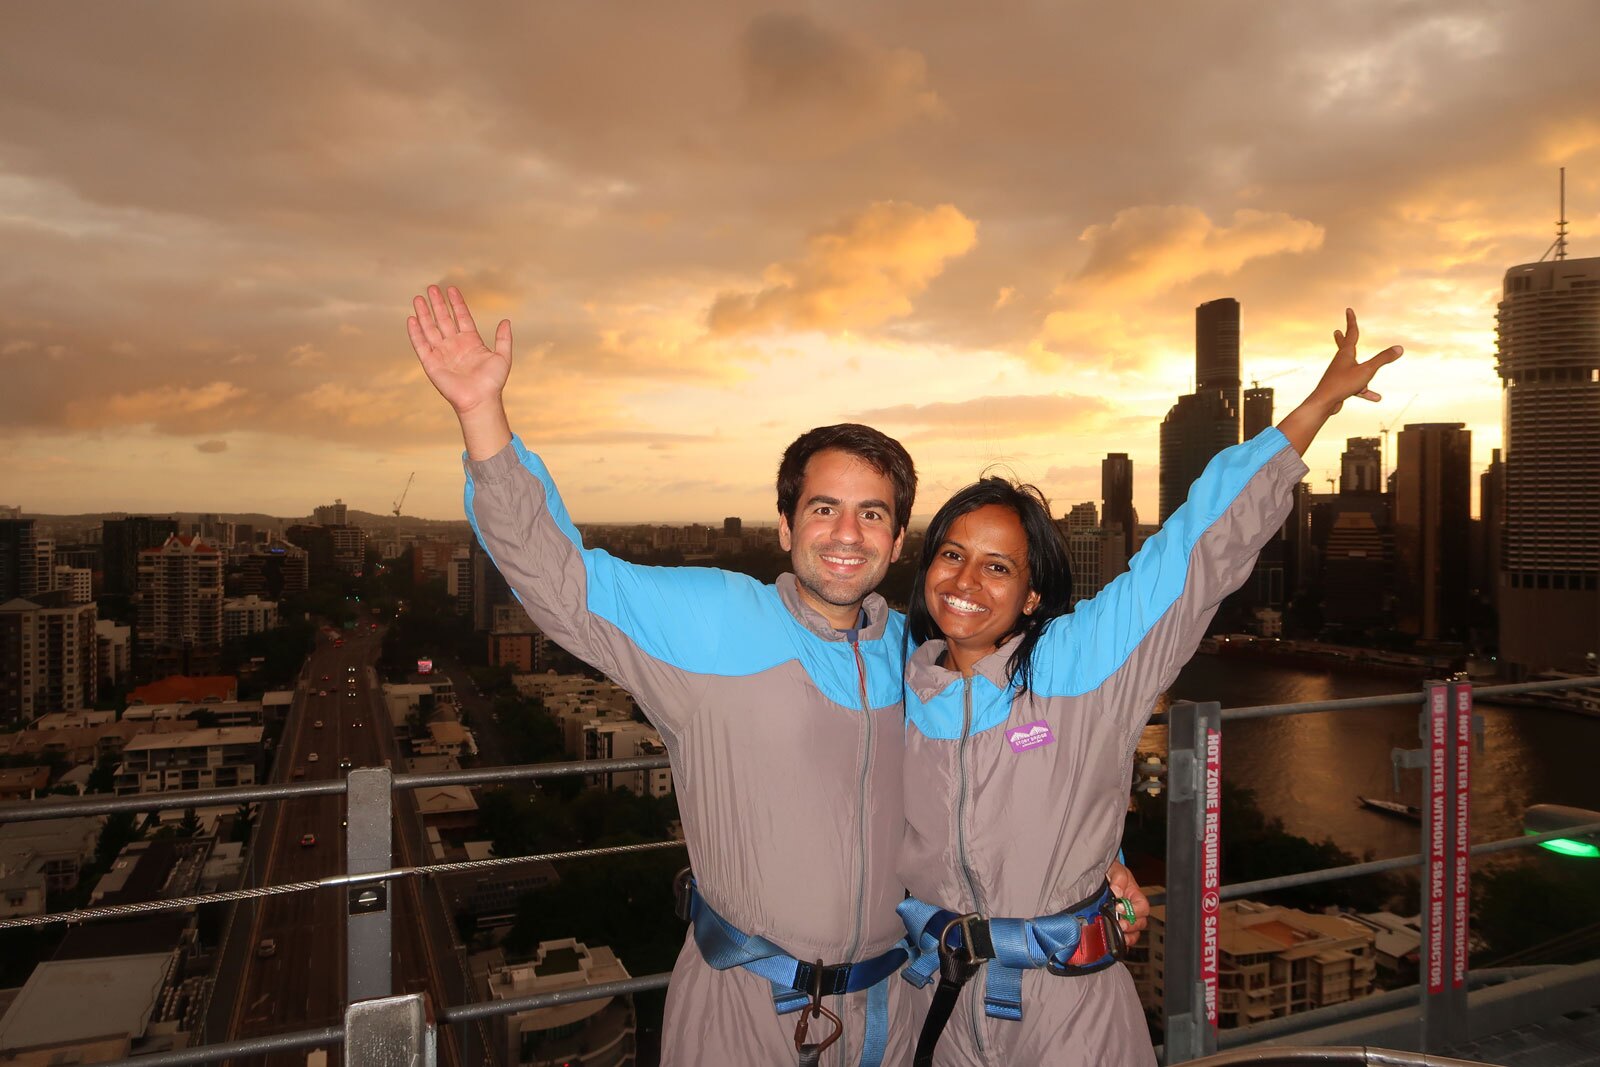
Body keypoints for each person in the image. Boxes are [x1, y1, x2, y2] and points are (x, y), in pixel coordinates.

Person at [405, 285, 1146, 1067]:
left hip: (896, 1017)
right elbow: (560, 581)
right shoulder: (716, 623)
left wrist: (1098, 865)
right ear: (787, 525)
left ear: (898, 542)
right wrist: (481, 415)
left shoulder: (919, 657)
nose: (846, 535)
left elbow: (1011, 769)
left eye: (872, 514)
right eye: (824, 509)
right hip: (744, 1013)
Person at [894, 311, 1401, 1066]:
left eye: (998, 566)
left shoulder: (1078, 664)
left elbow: (1193, 551)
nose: (967, 580)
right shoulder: (891, 682)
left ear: (1034, 595)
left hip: (1066, 1010)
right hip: (932, 1003)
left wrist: (1316, 406)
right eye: (953, 554)